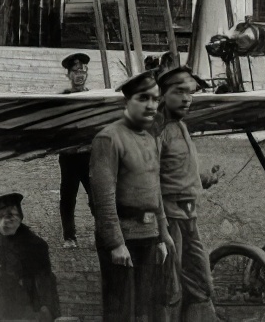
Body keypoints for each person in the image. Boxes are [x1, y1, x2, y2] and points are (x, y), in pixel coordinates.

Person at [90, 72, 172, 322]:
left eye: (155, 99)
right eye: (143, 98)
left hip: (148, 237)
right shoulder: (108, 138)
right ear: (127, 102)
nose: (151, 105)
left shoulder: (149, 139)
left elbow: (154, 190)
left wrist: (161, 235)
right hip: (122, 238)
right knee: (120, 310)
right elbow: (102, 197)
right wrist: (116, 243)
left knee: (145, 307)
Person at [153, 66, 224, 321]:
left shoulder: (181, 126)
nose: (187, 99)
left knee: (200, 279)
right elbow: (148, 180)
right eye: (179, 92)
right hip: (169, 218)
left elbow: (182, 170)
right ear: (162, 94)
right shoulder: (157, 130)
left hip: (189, 217)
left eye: (191, 93)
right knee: (170, 285)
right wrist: (161, 229)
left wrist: (206, 178)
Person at [57, 52, 93, 250]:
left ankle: (102, 233)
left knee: (95, 195)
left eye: (82, 71)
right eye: (75, 71)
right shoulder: (62, 99)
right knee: (68, 196)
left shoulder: (94, 98)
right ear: (68, 75)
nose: (79, 74)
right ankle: (69, 236)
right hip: (69, 156)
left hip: (89, 155)